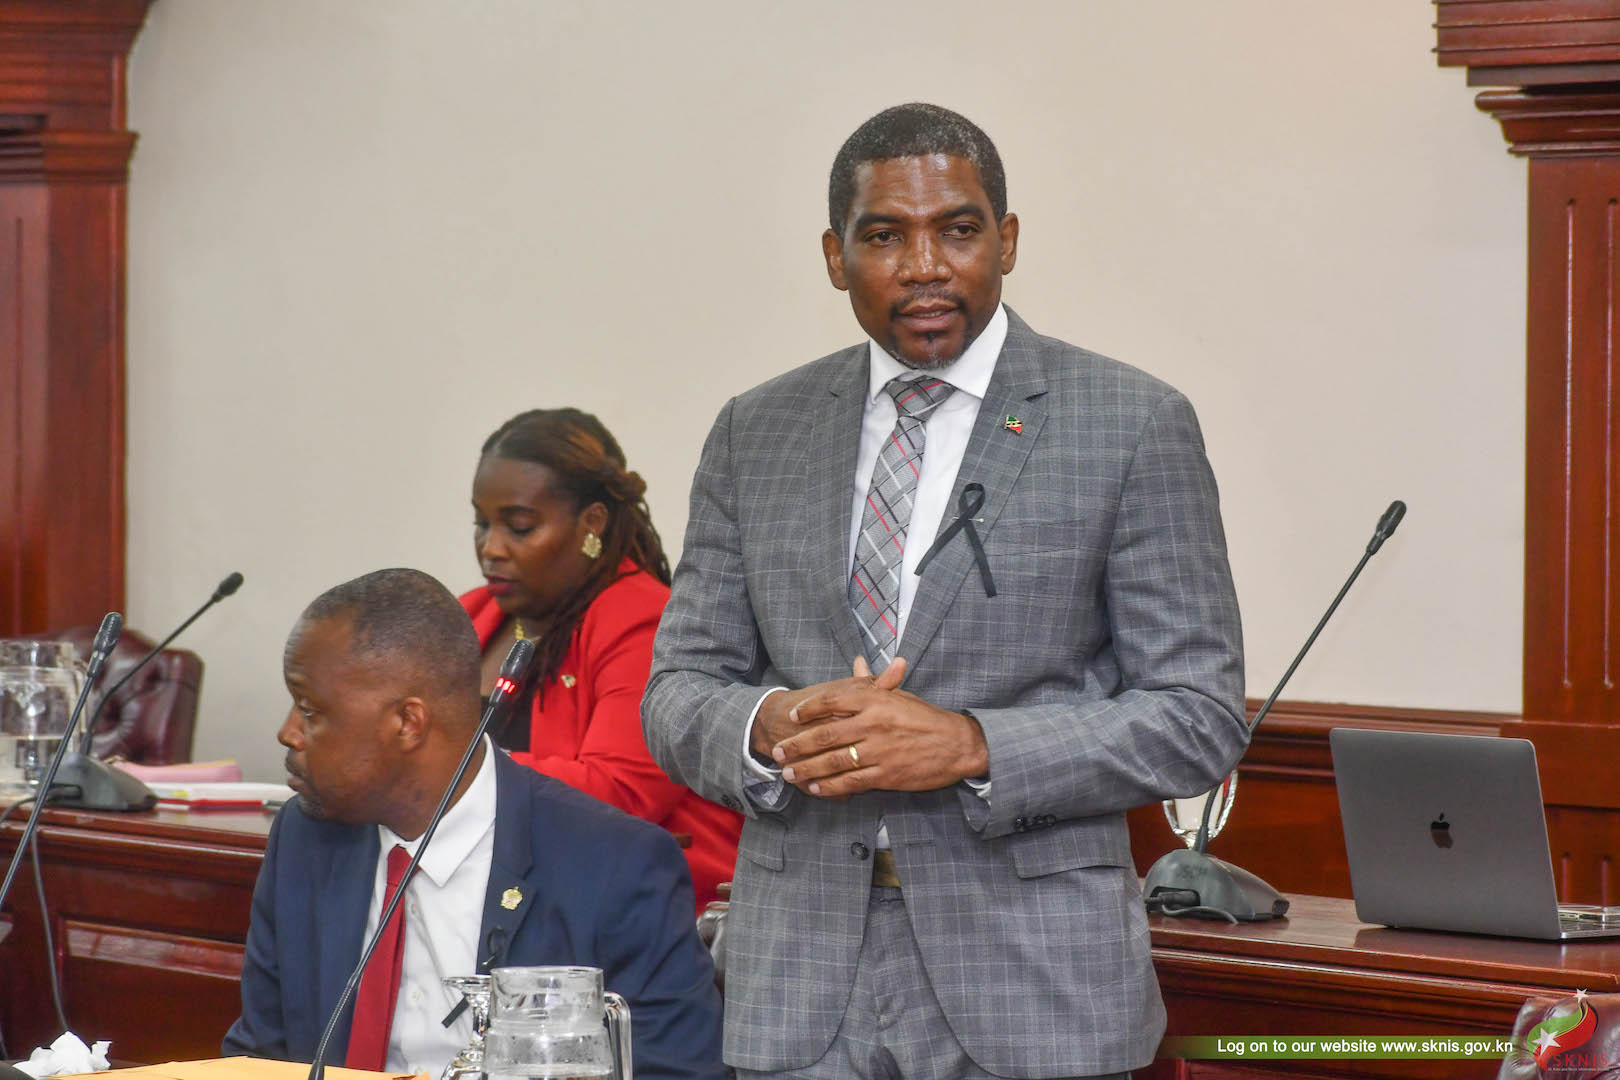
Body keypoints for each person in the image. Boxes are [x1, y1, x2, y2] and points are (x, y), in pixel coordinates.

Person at [642, 103, 1248, 1079]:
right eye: (885, 236)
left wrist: (971, 744)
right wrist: (772, 723)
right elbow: (677, 693)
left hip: (1035, 986)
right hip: (800, 984)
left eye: (957, 230)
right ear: (836, 256)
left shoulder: (1129, 423)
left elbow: (1198, 715)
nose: (925, 266)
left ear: (1006, 241)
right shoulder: (756, 430)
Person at [224, 568, 725, 1080]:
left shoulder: (616, 865)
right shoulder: (304, 837)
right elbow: (259, 1055)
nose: (287, 733)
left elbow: (678, 1073)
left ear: (408, 723)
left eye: (310, 711)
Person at [462, 408, 741, 910]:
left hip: (635, 912)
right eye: (482, 524)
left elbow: (620, 794)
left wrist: (451, 773)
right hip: (497, 898)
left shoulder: (646, 621)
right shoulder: (467, 616)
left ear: (592, 523)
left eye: (519, 527)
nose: (491, 548)